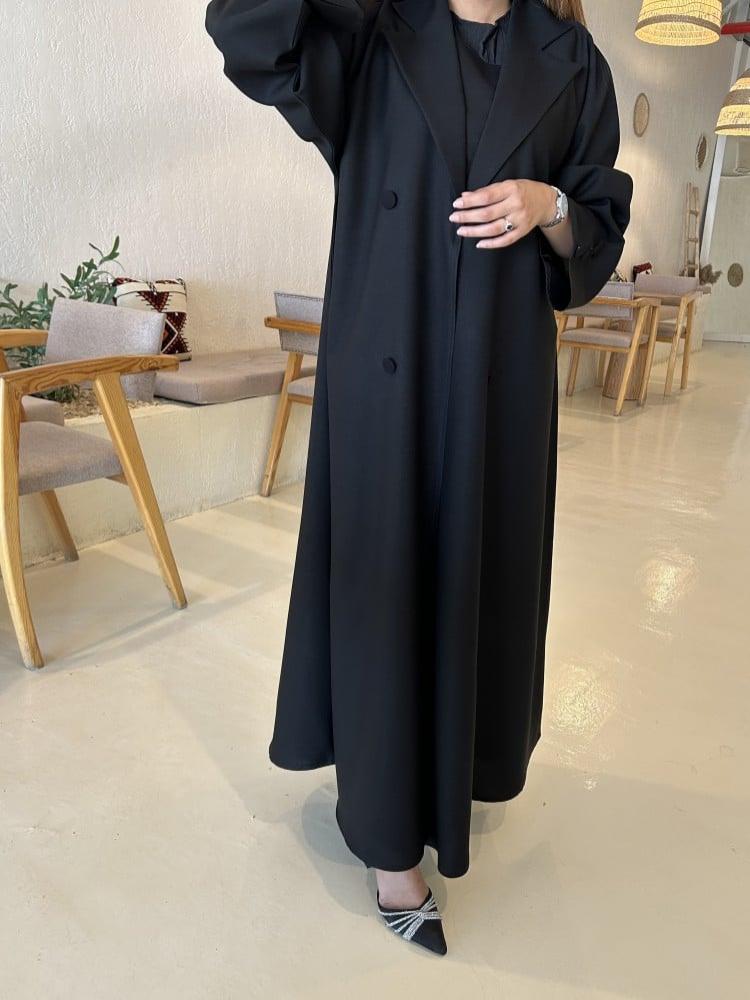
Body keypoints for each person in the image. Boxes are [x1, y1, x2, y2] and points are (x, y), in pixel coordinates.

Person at [206, 0, 632, 956]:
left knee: (480, 573)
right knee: (386, 589)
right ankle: (389, 843)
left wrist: (550, 206)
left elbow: (599, 222)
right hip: (385, 368)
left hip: (500, 382)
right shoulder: (370, 31)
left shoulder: (573, 60)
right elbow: (249, 34)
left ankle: (453, 769)